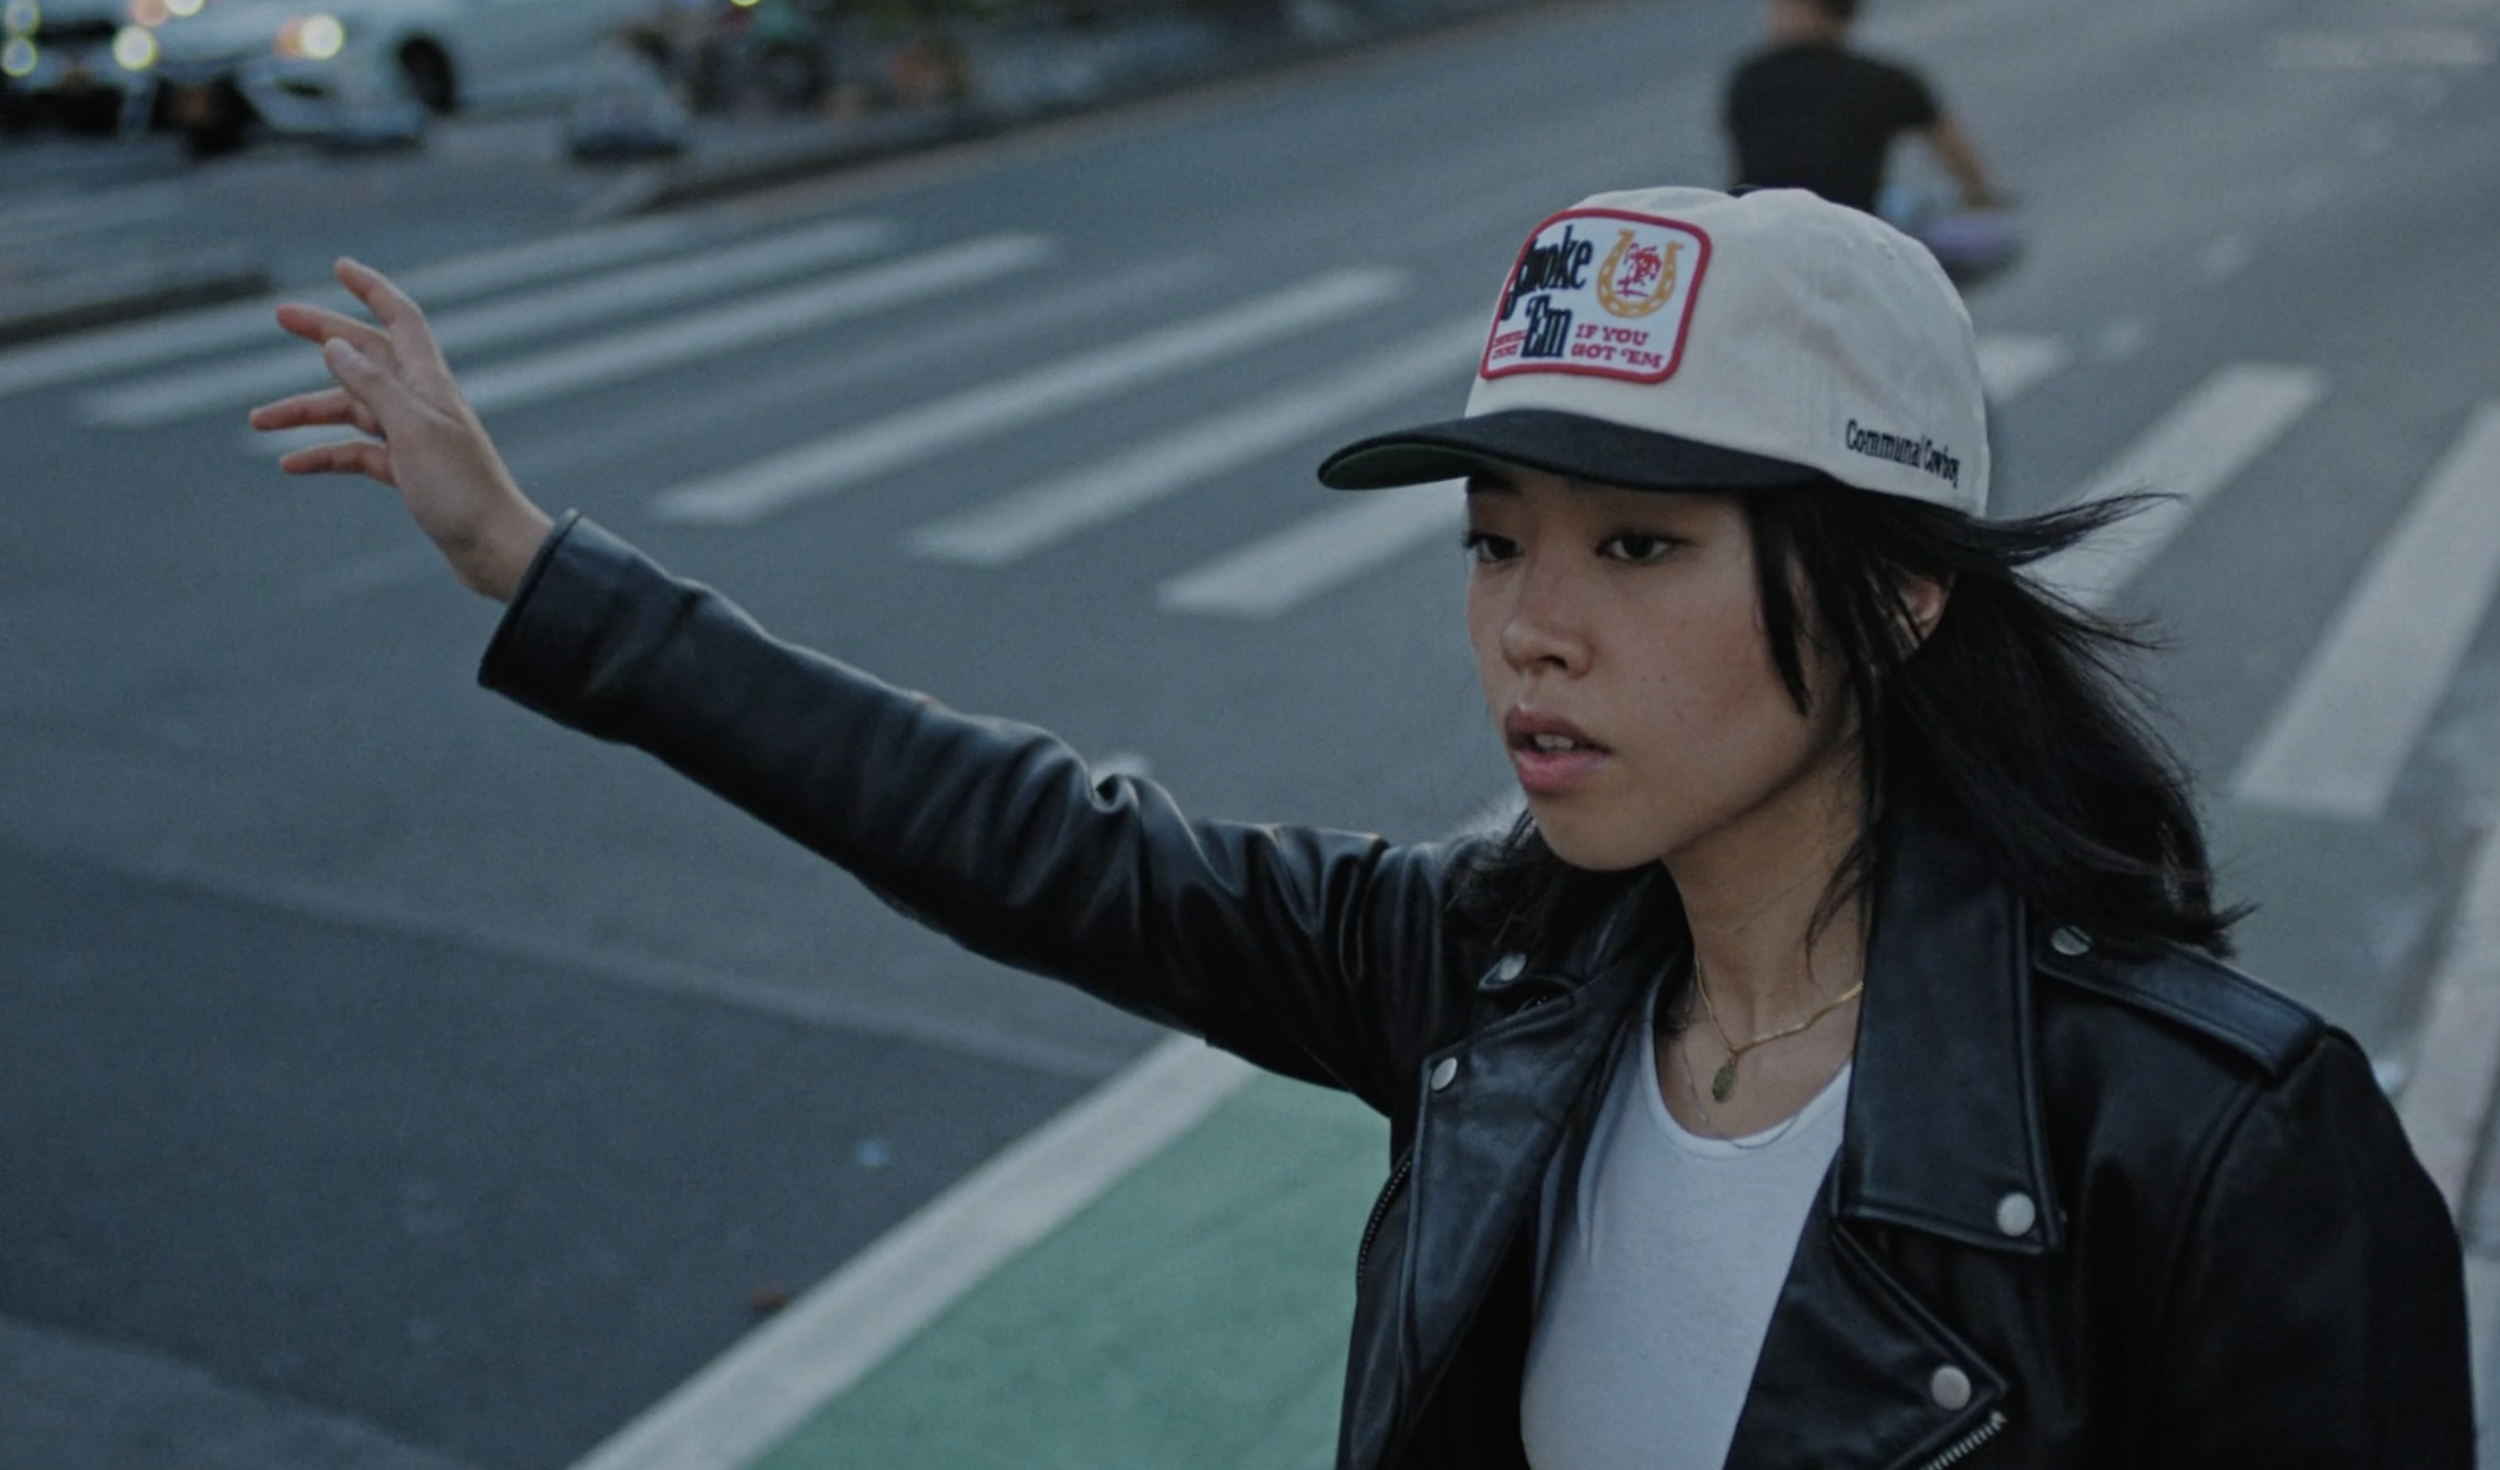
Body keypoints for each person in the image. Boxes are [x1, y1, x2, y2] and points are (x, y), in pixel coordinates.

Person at [247, 185, 2469, 1467]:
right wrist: (540, 572)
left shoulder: (2200, 1146)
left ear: (1889, 600)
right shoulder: (1498, 974)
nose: (1528, 631)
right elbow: (1035, 843)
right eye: (1496, 545)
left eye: (1631, 550)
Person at [1724, 0, 2000, 216]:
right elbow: (1956, 152)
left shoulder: (1748, 78)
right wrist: (1982, 198)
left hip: (1755, 222)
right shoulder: (1888, 79)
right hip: (1852, 226)